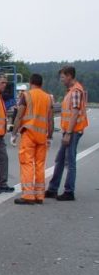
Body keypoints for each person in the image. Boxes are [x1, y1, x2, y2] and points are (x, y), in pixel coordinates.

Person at [46, 65, 89, 200]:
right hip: (69, 131)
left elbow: (75, 113)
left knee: (70, 161)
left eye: (63, 77)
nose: (61, 80)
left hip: (73, 131)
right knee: (60, 159)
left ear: (69, 76)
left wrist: (68, 133)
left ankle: (69, 191)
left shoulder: (75, 91)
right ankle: (53, 189)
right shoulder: (71, 90)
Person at [11, 74, 54, 204]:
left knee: (27, 163)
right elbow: (50, 119)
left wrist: (14, 133)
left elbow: (19, 116)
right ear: (41, 83)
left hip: (29, 135)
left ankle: (28, 196)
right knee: (40, 165)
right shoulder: (48, 98)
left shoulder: (26, 95)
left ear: (31, 82)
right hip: (42, 136)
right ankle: (39, 196)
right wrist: (50, 136)